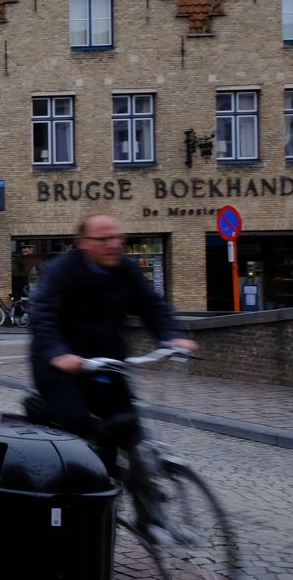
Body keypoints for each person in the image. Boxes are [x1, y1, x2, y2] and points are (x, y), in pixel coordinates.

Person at [28, 215, 197, 532]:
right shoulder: (61, 272)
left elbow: (152, 305)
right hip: (61, 368)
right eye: (104, 239)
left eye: (118, 237)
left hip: (107, 363)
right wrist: (58, 354)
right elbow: (45, 316)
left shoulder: (126, 270)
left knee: (130, 427)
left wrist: (171, 336)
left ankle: (148, 513)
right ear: (83, 243)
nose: (114, 244)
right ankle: (86, 505)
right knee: (82, 425)